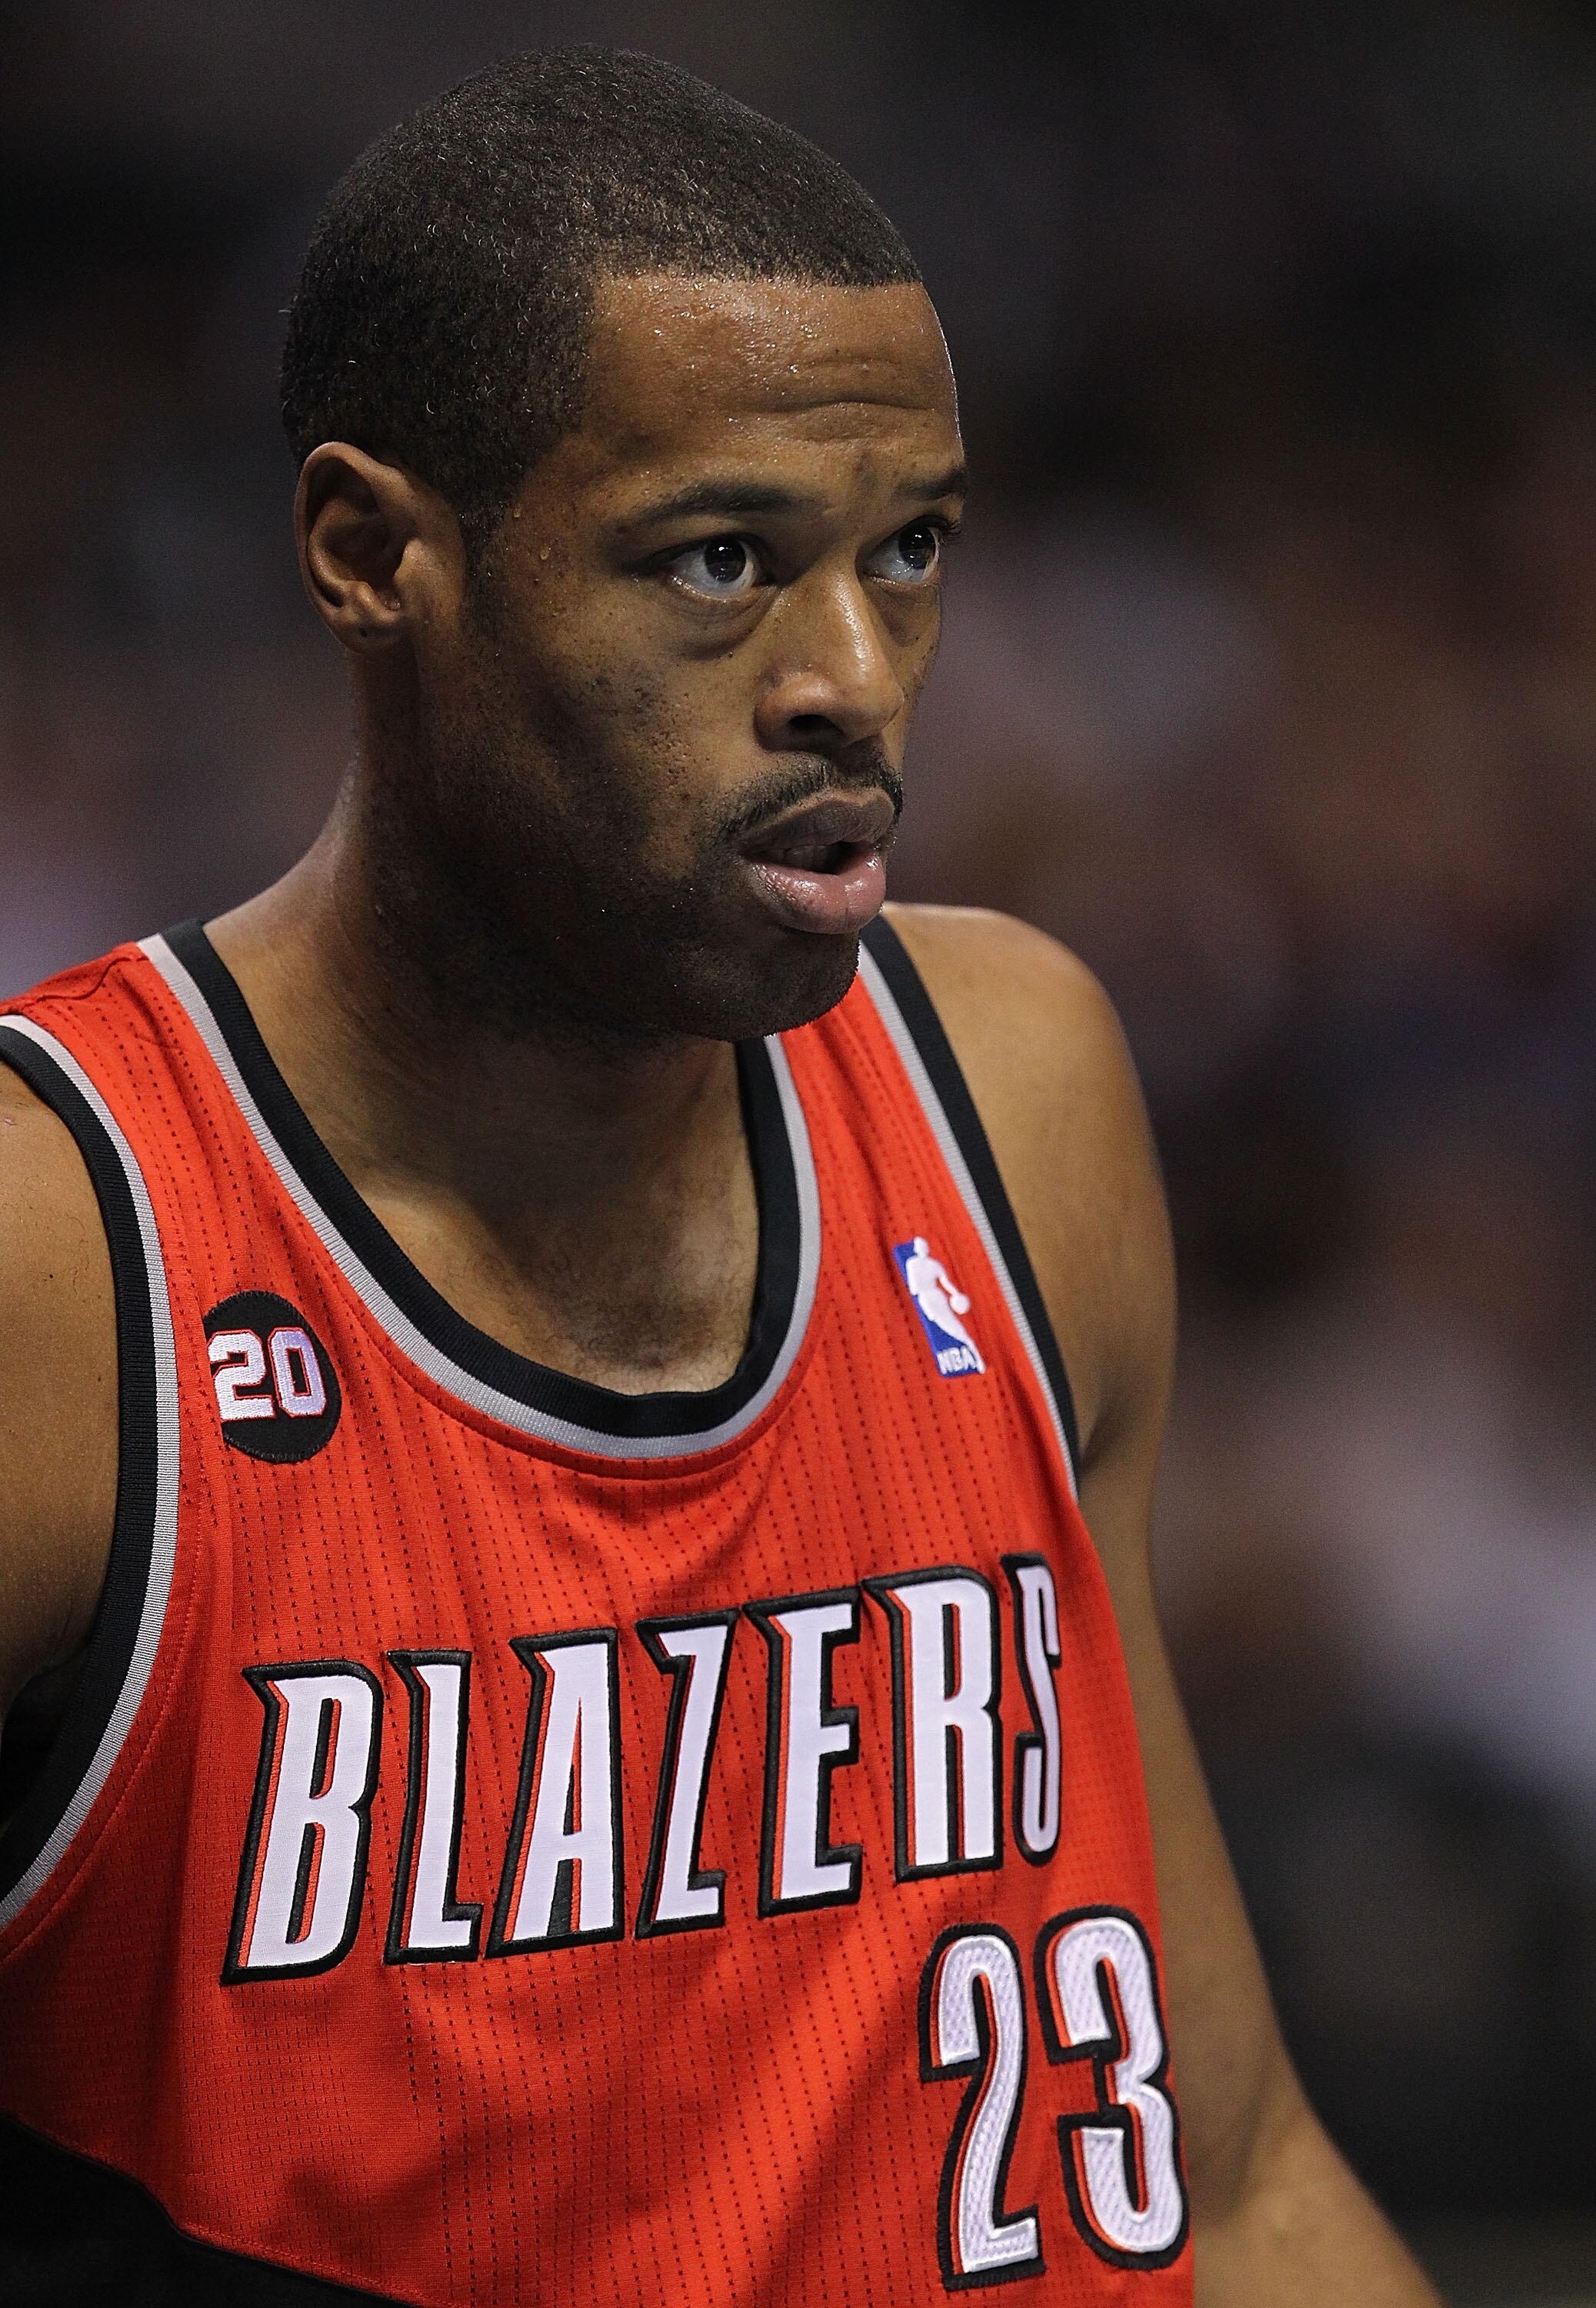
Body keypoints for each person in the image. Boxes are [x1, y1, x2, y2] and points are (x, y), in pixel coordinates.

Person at [0, 47, 1437, 2307]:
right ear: (373, 555)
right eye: (717, 563)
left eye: (911, 551)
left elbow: (1228, 2165)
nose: (856, 677)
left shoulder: (1012, 1085)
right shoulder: (63, 1254)